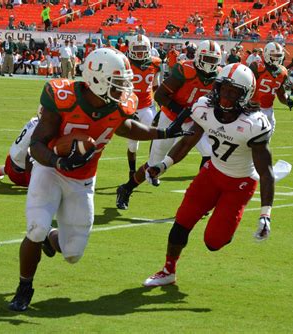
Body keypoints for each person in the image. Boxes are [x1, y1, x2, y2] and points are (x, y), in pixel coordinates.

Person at [8, 47, 191, 312]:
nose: (124, 91)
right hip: (50, 170)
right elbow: (37, 144)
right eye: (117, 85)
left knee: (72, 253)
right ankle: (25, 287)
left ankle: (51, 237)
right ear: (96, 79)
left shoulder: (117, 105)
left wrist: (163, 133)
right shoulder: (62, 96)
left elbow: (124, 125)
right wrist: (58, 160)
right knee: (35, 228)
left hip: (82, 180)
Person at [143, 63, 275, 287]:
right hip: (211, 173)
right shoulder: (204, 108)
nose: (226, 96)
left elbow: (266, 172)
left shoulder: (254, 124)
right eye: (224, 89)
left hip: (240, 183)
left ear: (245, 95)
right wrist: (163, 165)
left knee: (213, 242)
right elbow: (187, 142)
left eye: (234, 92)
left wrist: (265, 215)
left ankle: (227, 221)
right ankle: (168, 270)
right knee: (182, 221)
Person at [116, 40, 221, 210]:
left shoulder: (219, 76)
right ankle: (126, 188)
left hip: (195, 121)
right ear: (198, 57)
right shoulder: (184, 70)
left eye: (213, 60)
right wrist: (181, 111)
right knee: (153, 164)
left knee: (210, 153)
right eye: (206, 59)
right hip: (171, 117)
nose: (210, 64)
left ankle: (200, 200)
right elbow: (160, 96)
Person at [123, 34, 162, 179]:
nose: (139, 52)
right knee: (133, 145)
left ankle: (153, 168)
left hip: (147, 106)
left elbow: (156, 85)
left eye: (142, 48)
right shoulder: (125, 63)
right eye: (137, 48)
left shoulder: (155, 63)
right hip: (131, 107)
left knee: (156, 137)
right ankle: (132, 171)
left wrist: (162, 103)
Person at [249, 42, 293, 132]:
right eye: (274, 55)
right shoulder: (256, 67)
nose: (277, 58)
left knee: (266, 139)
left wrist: (287, 100)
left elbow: (280, 93)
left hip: (269, 110)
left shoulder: (283, 72)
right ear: (266, 54)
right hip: (253, 109)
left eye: (279, 55)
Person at [0, 116, 40, 186]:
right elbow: (29, 157)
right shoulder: (40, 130)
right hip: (20, 176)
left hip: (9, 161)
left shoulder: (33, 120)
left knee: (10, 166)